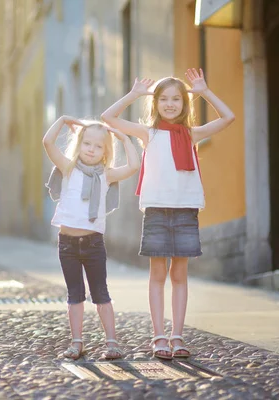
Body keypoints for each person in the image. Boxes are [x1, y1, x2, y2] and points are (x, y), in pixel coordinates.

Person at [101, 68, 235, 359]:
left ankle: (177, 336)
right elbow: (108, 118)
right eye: (164, 99)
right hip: (157, 211)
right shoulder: (148, 134)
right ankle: (158, 336)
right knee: (158, 274)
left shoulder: (191, 134)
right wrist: (134, 94)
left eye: (177, 99)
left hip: (185, 211)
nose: (170, 104)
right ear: (156, 103)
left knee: (180, 275)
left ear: (185, 104)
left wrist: (204, 92)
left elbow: (228, 118)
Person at [43, 115, 140, 360]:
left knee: (101, 294)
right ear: (79, 143)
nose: (92, 149)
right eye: (87, 143)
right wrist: (64, 120)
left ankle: (112, 343)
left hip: (93, 244)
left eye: (98, 146)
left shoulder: (106, 175)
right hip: (67, 244)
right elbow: (47, 142)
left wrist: (124, 138)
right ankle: (76, 343)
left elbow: (134, 166)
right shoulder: (68, 168)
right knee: (74, 295)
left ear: (106, 151)